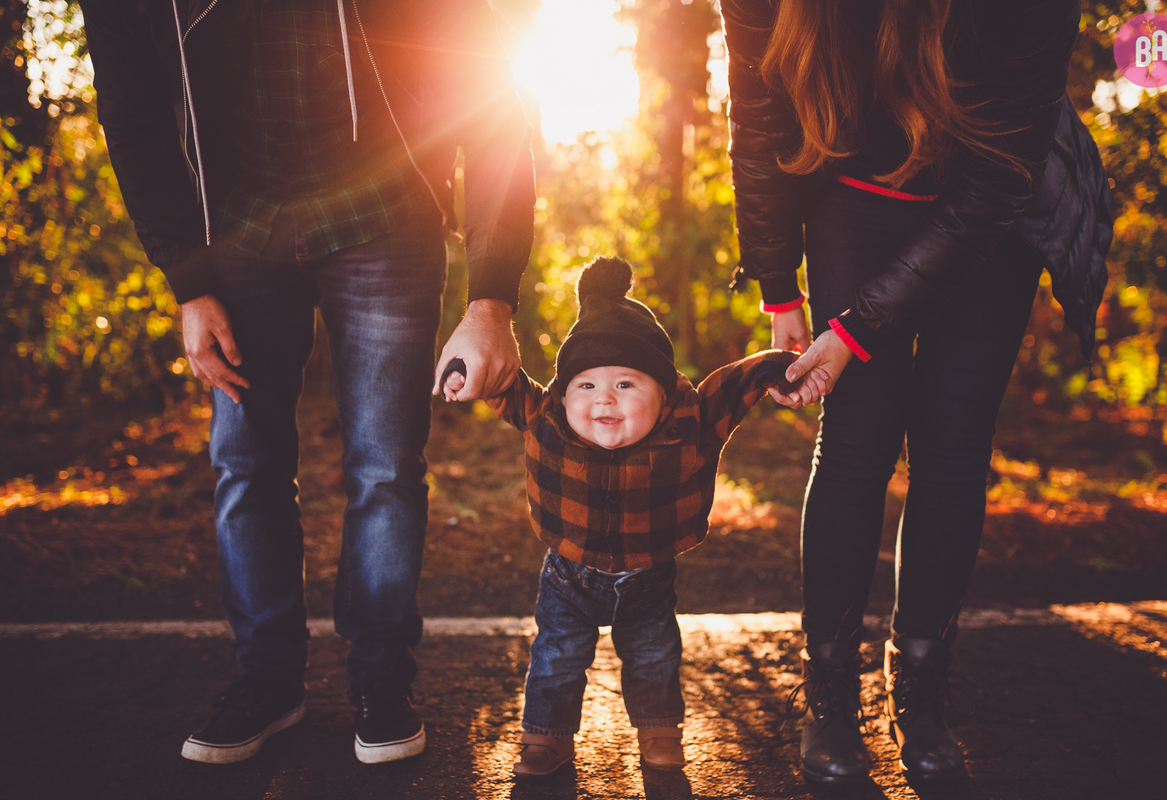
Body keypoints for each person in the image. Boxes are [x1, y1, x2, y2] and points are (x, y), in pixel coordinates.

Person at [78, 0, 535, 764]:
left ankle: (382, 681)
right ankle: (269, 681)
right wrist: (189, 281)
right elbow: (132, 112)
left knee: (386, 468)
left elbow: (494, 89)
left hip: (385, 212)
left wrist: (491, 298)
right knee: (245, 462)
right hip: (233, 228)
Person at [721, 0, 1110, 785]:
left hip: (991, 199)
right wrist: (775, 284)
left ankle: (921, 689)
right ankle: (829, 694)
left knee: (954, 447)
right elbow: (759, 105)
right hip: (852, 188)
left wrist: (855, 330)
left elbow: (993, 191)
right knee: (856, 441)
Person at [442, 256, 799, 777]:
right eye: (585, 386)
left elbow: (735, 383)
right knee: (556, 659)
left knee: (654, 657)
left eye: (626, 385)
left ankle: (660, 732)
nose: (603, 398)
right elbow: (501, 381)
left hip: (648, 578)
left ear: (663, 393)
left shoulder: (688, 425)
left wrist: (779, 372)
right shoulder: (546, 419)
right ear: (565, 396)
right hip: (568, 576)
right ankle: (545, 737)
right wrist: (463, 371)